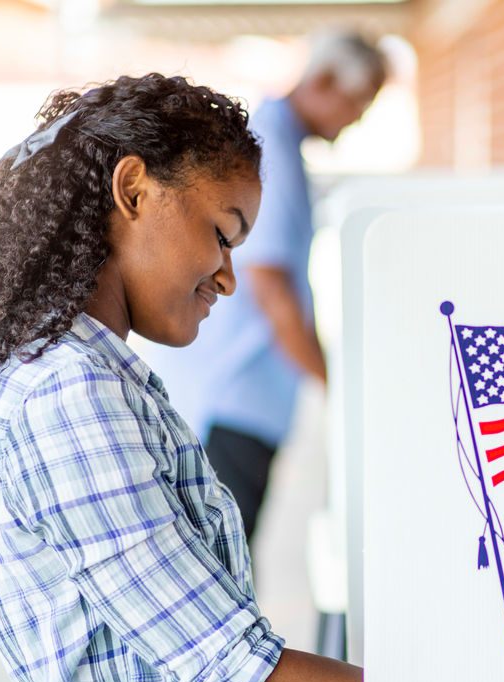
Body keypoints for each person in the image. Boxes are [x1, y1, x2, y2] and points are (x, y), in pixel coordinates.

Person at [0, 74, 360, 682]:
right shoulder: (67, 393)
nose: (228, 278)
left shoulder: (91, 371)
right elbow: (236, 681)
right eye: (222, 235)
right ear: (133, 191)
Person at [150, 32, 387, 546]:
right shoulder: (267, 149)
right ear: (323, 82)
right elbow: (271, 289)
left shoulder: (285, 144)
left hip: (249, 402)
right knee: (220, 575)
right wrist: (339, 388)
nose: (360, 118)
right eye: (360, 101)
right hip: (231, 400)